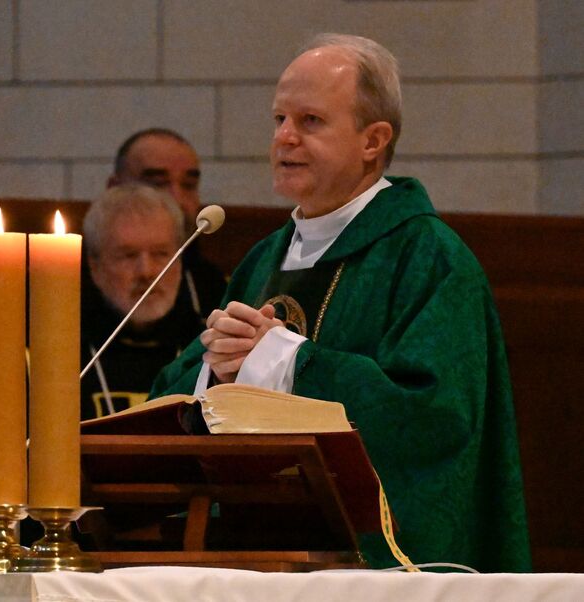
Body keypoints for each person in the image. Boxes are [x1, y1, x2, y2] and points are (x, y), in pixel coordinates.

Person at [152, 34, 531, 572]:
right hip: (258, 557)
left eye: (310, 121)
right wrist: (215, 373)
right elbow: (177, 391)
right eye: (279, 119)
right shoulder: (266, 258)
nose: (284, 137)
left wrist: (285, 361)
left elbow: (434, 419)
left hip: (376, 568)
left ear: (373, 140)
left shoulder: (428, 258)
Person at [80, 183, 203, 421]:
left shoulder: (207, 346)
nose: (146, 271)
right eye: (128, 255)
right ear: (94, 266)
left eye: (160, 253)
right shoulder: (59, 353)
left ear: (179, 261)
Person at [108, 128, 227, 321]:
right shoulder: (75, 277)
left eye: (188, 185)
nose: (177, 199)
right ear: (114, 190)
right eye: (158, 183)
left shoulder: (208, 283)